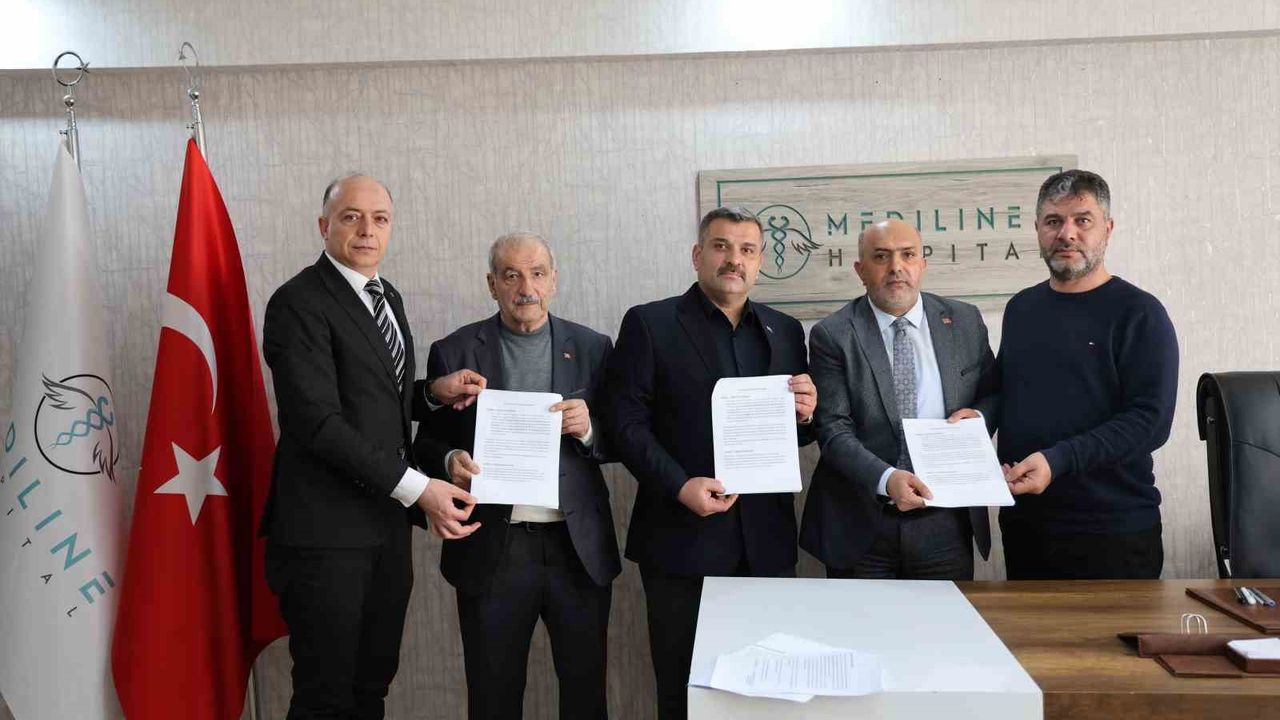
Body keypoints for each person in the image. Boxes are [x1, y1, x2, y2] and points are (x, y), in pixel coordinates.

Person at [261, 174, 477, 718]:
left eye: (379, 219)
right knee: (326, 696)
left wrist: (430, 394)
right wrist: (420, 490)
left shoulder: (386, 295)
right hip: (325, 536)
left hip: (384, 528)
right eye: (351, 216)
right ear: (324, 225)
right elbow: (319, 423)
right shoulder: (297, 302)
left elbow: (374, 399)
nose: (366, 230)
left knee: (370, 687)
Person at [604, 206, 817, 720]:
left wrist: (807, 413)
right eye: (721, 246)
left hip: (766, 544)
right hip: (680, 539)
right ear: (698, 255)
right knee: (685, 690)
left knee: (769, 692)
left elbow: (794, 434)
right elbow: (624, 425)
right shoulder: (650, 323)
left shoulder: (786, 331)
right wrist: (680, 486)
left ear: (759, 262)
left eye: (747, 250)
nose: (734, 260)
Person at [413, 232, 619, 719]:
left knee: (586, 695)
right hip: (493, 547)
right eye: (511, 276)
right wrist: (450, 461)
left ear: (554, 280)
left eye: (537, 274)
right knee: (493, 697)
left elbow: (624, 436)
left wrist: (591, 429)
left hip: (577, 549)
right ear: (492, 284)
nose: (526, 288)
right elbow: (425, 443)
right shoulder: (454, 350)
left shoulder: (593, 347)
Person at [997, 169, 1179, 580]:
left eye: (1083, 220)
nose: (1067, 234)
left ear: (1107, 229)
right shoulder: (1021, 308)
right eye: (1053, 221)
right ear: (1038, 229)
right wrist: (973, 419)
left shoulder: (1140, 313)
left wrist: (1057, 460)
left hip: (1112, 531)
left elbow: (1150, 421)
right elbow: (1005, 393)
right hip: (1027, 525)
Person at [799, 219, 997, 579]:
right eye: (881, 257)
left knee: (946, 617)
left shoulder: (965, 321)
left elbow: (993, 392)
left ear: (923, 264)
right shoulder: (833, 334)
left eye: (908, 255)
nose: (896, 267)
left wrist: (980, 418)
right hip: (862, 522)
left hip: (946, 522)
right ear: (860, 270)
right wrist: (887, 478)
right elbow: (832, 429)